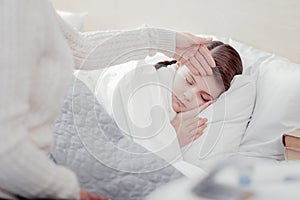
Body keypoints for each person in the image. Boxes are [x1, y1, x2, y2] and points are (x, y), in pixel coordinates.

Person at [0, 0, 216, 199]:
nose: (190, 97)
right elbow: (7, 150)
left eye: (204, 97)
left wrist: (164, 41)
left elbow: (78, 48)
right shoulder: (15, 9)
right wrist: (67, 190)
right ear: (178, 68)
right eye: (189, 82)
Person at [156, 41, 243, 147]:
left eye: (203, 98)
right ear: (179, 64)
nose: (188, 96)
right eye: (188, 80)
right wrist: (171, 139)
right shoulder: (149, 84)